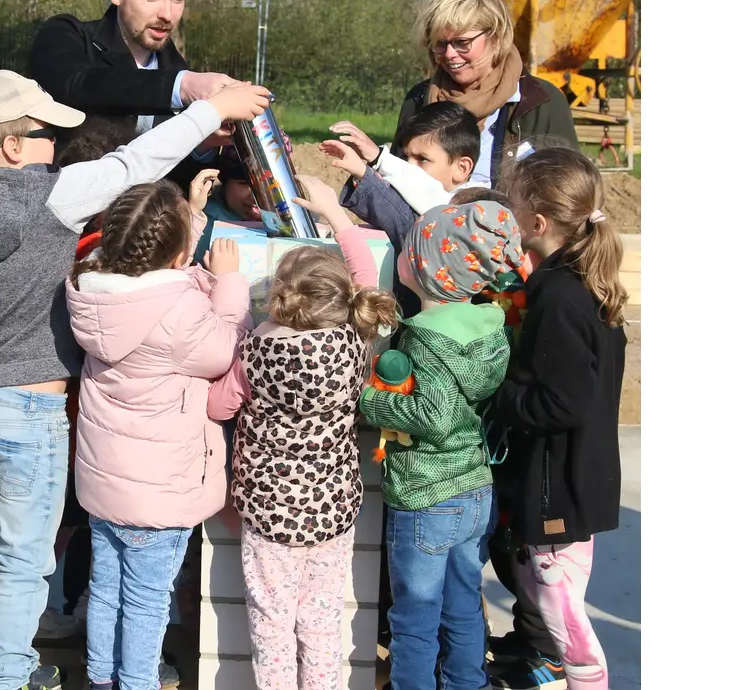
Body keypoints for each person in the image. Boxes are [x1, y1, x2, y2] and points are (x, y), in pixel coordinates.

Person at [0, 69, 271, 690]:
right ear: (12, 146)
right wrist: (209, 109)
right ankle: (4, 678)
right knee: (26, 564)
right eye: (44, 136)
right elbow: (134, 163)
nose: (55, 147)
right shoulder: (51, 195)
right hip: (34, 408)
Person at [208, 191, 399, 690]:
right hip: (333, 509)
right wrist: (336, 216)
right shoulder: (355, 343)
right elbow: (366, 280)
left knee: (271, 628)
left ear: (277, 296)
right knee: (320, 623)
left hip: (269, 512)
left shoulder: (253, 350)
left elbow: (218, 408)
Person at [65, 181, 252, 690]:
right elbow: (224, 346)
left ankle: (101, 678)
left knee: (105, 588)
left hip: (105, 484)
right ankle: (138, 682)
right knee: (149, 600)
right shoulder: (177, 314)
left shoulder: (92, 286)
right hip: (160, 490)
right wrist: (231, 283)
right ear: (177, 256)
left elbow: (159, 274)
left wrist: (188, 219)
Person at [357, 202, 526, 690]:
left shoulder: (425, 340)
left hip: (426, 496)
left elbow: (432, 415)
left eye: (411, 248)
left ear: (429, 268)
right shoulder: (490, 327)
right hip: (475, 491)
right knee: (463, 605)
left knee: (415, 617)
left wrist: (369, 399)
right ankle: (467, 684)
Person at [484, 148, 627, 690]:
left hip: (558, 490)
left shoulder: (560, 296)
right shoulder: (579, 281)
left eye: (513, 205)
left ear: (536, 223)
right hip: (573, 480)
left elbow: (561, 403)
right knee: (550, 607)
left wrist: (498, 396)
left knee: (565, 622)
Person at [28, 0, 255, 190]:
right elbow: (77, 84)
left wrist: (202, 145)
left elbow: (177, 183)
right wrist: (180, 87)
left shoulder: (177, 69)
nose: (167, 14)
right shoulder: (67, 35)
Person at [392, 0, 576, 190]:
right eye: (441, 43)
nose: (450, 54)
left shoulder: (542, 103)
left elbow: (572, 194)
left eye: (462, 42)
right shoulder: (419, 100)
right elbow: (397, 183)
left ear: (496, 38)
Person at [323, 102, 483, 317]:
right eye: (406, 157)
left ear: (461, 168)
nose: (410, 166)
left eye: (422, 159)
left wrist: (376, 163)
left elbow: (426, 201)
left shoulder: (466, 212)